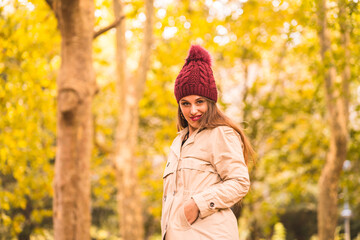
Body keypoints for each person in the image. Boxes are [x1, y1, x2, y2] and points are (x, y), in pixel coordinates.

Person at [161, 45, 254, 240]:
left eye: (199, 102)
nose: (193, 110)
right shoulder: (179, 142)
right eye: (185, 103)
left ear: (210, 102)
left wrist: (198, 204)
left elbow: (239, 182)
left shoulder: (221, 133)